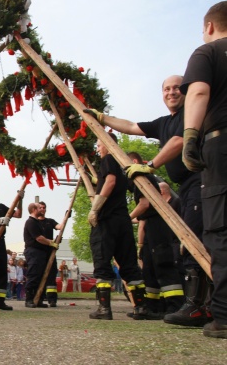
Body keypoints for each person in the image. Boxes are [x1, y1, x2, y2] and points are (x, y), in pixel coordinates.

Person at [84, 74, 207, 326]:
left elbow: (178, 141)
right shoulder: (163, 123)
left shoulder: (191, 114)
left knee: (197, 242)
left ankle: (199, 306)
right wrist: (101, 117)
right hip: (185, 187)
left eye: (176, 88)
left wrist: (150, 166)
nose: (171, 92)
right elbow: (130, 126)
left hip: (200, 181)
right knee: (171, 252)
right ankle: (171, 305)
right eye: (166, 89)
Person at [181, 1, 227, 338]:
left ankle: (224, 316)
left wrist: (191, 137)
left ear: (209, 26)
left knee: (221, 229)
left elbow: (198, 91)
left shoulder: (207, 52)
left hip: (221, 145)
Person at [87, 134, 148, 320]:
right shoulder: (123, 164)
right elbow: (108, 181)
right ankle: (140, 307)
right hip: (123, 220)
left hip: (107, 220)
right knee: (129, 264)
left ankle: (104, 309)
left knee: (102, 261)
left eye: (98, 145)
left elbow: (110, 182)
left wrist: (95, 209)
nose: (98, 149)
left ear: (107, 143)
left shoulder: (108, 159)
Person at [127, 151, 185, 317]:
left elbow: (144, 204)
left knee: (163, 264)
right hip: (150, 226)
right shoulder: (139, 180)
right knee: (150, 269)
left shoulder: (143, 179)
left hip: (158, 225)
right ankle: (152, 307)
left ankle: (175, 306)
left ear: (134, 161)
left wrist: (127, 218)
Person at [23, 202, 59, 308]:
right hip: (33, 251)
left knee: (41, 276)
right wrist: (51, 242)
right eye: (39, 208)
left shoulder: (38, 222)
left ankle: (38, 299)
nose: (41, 210)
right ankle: (29, 299)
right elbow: (39, 238)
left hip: (41, 253)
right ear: (34, 209)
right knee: (33, 275)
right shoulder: (31, 222)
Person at [36, 201, 62, 307]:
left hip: (50, 252)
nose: (42, 209)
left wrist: (65, 217)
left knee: (51, 276)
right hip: (38, 252)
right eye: (40, 207)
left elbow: (59, 227)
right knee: (39, 275)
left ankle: (52, 299)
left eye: (44, 207)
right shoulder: (34, 222)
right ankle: (39, 298)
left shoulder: (50, 221)